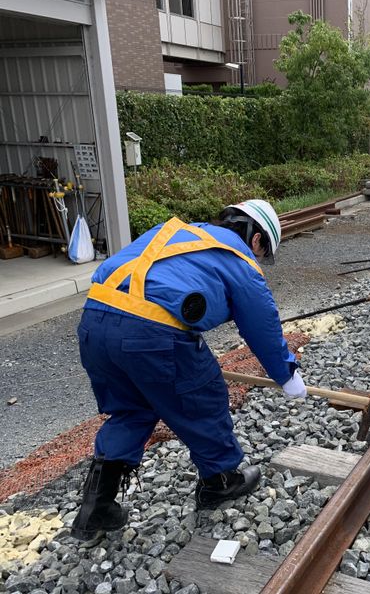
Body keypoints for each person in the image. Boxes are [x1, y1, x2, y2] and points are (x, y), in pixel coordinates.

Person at [70, 200, 306, 541]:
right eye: (263, 252)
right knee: (204, 396)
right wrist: (286, 375)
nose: (259, 259)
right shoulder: (238, 260)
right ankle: (220, 481)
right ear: (256, 240)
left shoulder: (173, 233)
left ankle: (95, 508)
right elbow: (262, 326)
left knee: (131, 408)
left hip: (95, 323)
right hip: (151, 332)